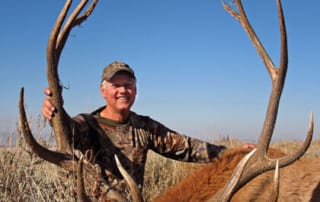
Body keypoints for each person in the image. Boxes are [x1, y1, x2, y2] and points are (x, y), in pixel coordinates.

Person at [42, 61, 254, 201]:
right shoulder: (88, 125)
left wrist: (231, 154)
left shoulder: (144, 127)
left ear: (135, 90)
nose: (123, 90)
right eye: (116, 85)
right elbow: (68, 131)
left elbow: (186, 147)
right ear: (103, 91)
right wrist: (56, 114)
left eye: (128, 85)